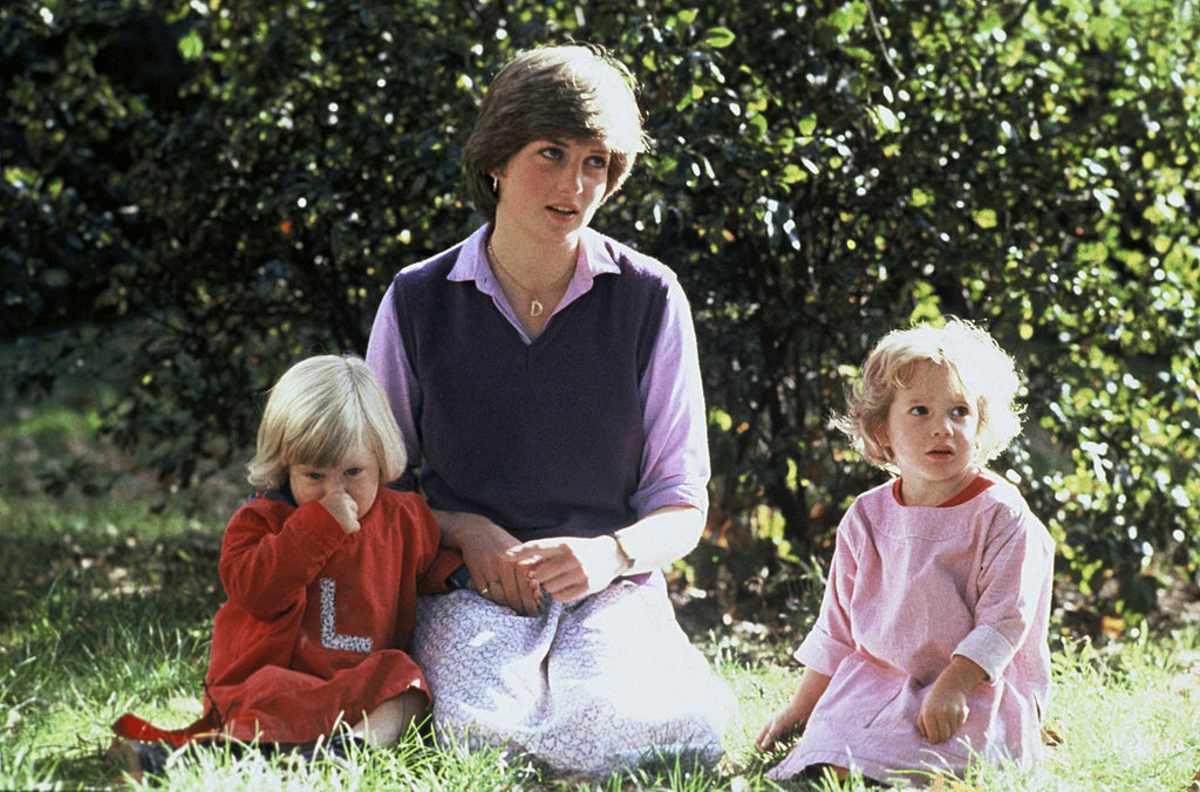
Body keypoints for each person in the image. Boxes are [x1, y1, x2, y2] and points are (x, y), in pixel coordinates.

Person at [365, 43, 733, 777]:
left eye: (596, 161)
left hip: (611, 589)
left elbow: (682, 500)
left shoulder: (650, 296)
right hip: (467, 590)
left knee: (662, 733)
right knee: (483, 730)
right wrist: (463, 530)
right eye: (552, 153)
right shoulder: (418, 298)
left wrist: (611, 554)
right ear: (498, 160)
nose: (575, 183)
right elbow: (372, 483)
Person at [109, 354, 454, 781]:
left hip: (355, 682)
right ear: (284, 468)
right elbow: (258, 591)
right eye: (314, 475)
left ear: (382, 461)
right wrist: (317, 527)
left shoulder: (404, 517)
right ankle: (195, 760)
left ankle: (350, 752)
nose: (336, 490)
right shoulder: (262, 523)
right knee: (262, 695)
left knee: (406, 682)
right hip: (282, 681)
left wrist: (466, 574)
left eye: (353, 471)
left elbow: (432, 565)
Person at [756, 318, 1054, 786]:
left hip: (972, 685)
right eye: (920, 411)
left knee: (932, 765)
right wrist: (800, 709)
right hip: (879, 681)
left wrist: (954, 684)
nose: (943, 428)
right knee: (831, 761)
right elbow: (838, 629)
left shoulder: (999, 513)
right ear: (882, 430)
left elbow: (1005, 619)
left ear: (982, 422)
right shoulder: (867, 517)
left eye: (959, 412)